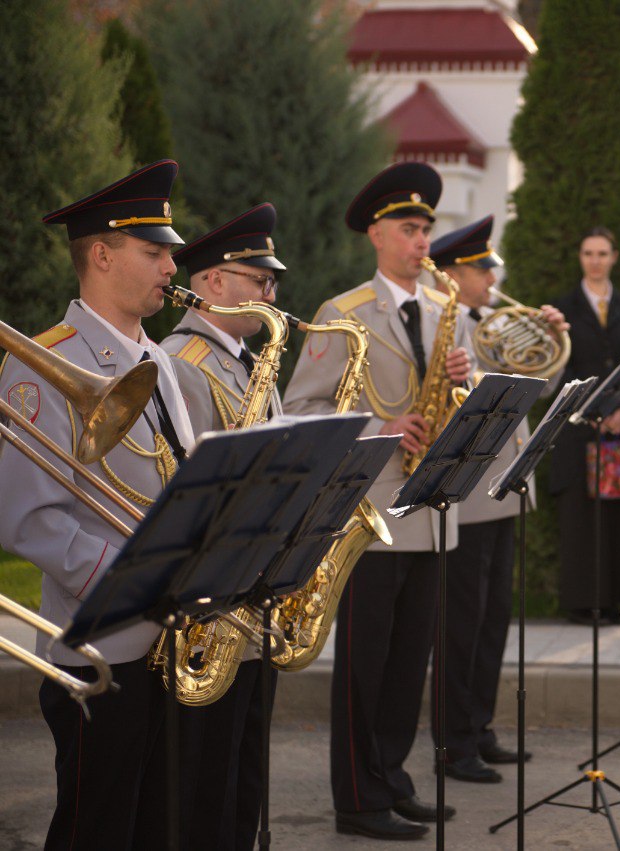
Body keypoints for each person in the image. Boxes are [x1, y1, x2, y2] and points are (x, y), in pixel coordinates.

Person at [0, 160, 194, 849]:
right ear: (103, 255)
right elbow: (30, 520)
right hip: (101, 648)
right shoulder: (41, 362)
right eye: (155, 250)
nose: (172, 264)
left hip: (171, 640)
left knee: (157, 825)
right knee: (97, 828)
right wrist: (138, 579)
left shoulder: (159, 359)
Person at [282, 162, 470, 841]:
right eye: (408, 229)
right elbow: (301, 409)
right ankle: (357, 798)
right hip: (371, 515)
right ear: (376, 235)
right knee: (365, 664)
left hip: (432, 508)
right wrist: (379, 427)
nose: (421, 242)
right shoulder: (343, 314)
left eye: (425, 230)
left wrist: (463, 381)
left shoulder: (447, 311)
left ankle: (391, 778)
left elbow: (458, 407)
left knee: (408, 662)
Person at [159, 202, 286, 850]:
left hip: (252, 591)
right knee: (207, 777)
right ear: (211, 280)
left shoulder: (248, 358)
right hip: (211, 603)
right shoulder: (182, 361)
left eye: (272, 283)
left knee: (244, 769)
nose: (271, 294)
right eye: (258, 279)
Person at [424, 215, 567, 783]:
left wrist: (550, 340)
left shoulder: (492, 323)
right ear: (453, 275)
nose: (492, 279)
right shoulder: (446, 326)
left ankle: (478, 727)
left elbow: (539, 385)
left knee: (492, 620)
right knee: (462, 622)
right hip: (469, 495)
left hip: (505, 487)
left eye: (490, 269)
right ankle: (453, 741)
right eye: (481, 270)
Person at [548, 227, 620, 625]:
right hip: (578, 430)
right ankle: (583, 603)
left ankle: (616, 601)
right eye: (588, 253)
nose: (595, 260)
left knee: (618, 516)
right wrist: (593, 410)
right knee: (581, 517)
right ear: (580, 257)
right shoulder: (563, 308)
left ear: (614, 257)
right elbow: (563, 368)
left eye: (602, 253)